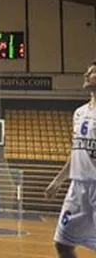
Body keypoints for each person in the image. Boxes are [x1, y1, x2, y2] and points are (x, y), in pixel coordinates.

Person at [44, 60, 96, 258]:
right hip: (77, 187)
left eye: (92, 72)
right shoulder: (79, 113)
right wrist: (58, 180)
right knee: (62, 244)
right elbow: (76, 151)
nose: (86, 75)